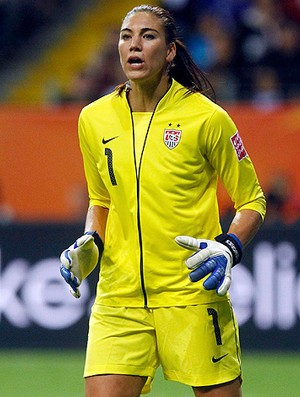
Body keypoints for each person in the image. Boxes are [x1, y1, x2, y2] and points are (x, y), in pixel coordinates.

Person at [59, 5, 266, 397]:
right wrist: (91, 242)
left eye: (148, 36)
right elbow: (101, 198)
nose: (134, 44)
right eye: (125, 36)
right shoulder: (93, 119)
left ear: (170, 51)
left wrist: (229, 247)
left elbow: (252, 201)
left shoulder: (208, 119)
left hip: (191, 294)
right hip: (119, 299)